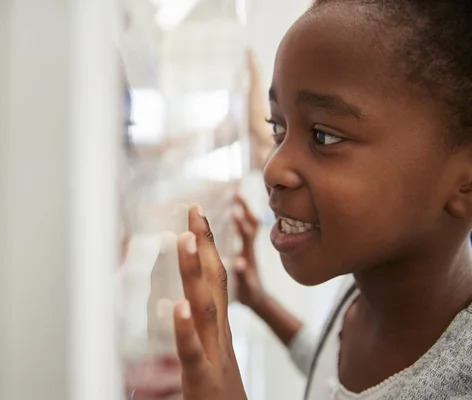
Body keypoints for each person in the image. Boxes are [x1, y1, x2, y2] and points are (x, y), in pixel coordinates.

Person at [170, 1, 472, 399]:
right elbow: (331, 371)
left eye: (324, 137)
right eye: (278, 127)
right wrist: (260, 302)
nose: (272, 170)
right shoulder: (367, 294)